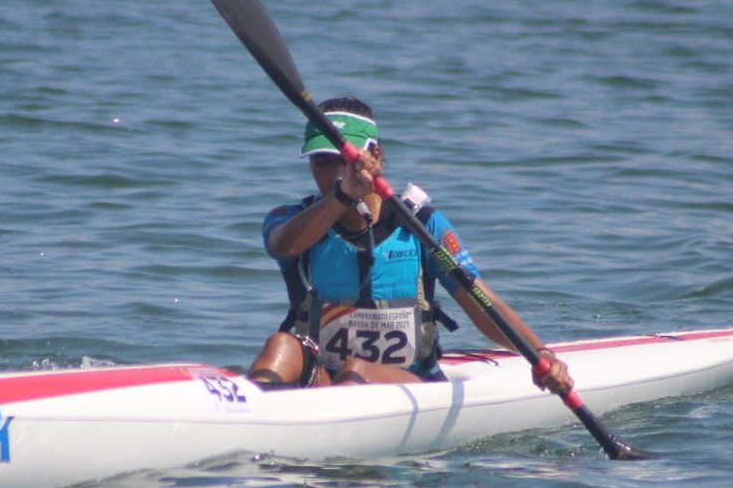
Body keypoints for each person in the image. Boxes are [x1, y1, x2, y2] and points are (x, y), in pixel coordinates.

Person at [245, 96, 574, 394]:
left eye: (341, 161)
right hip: (326, 382)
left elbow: (480, 302)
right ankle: (250, 414)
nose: (332, 173)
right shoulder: (291, 221)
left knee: (356, 370)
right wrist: (342, 195)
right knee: (281, 345)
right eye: (321, 162)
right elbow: (282, 246)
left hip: (411, 385)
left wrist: (539, 354)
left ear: (375, 156)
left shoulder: (422, 225)